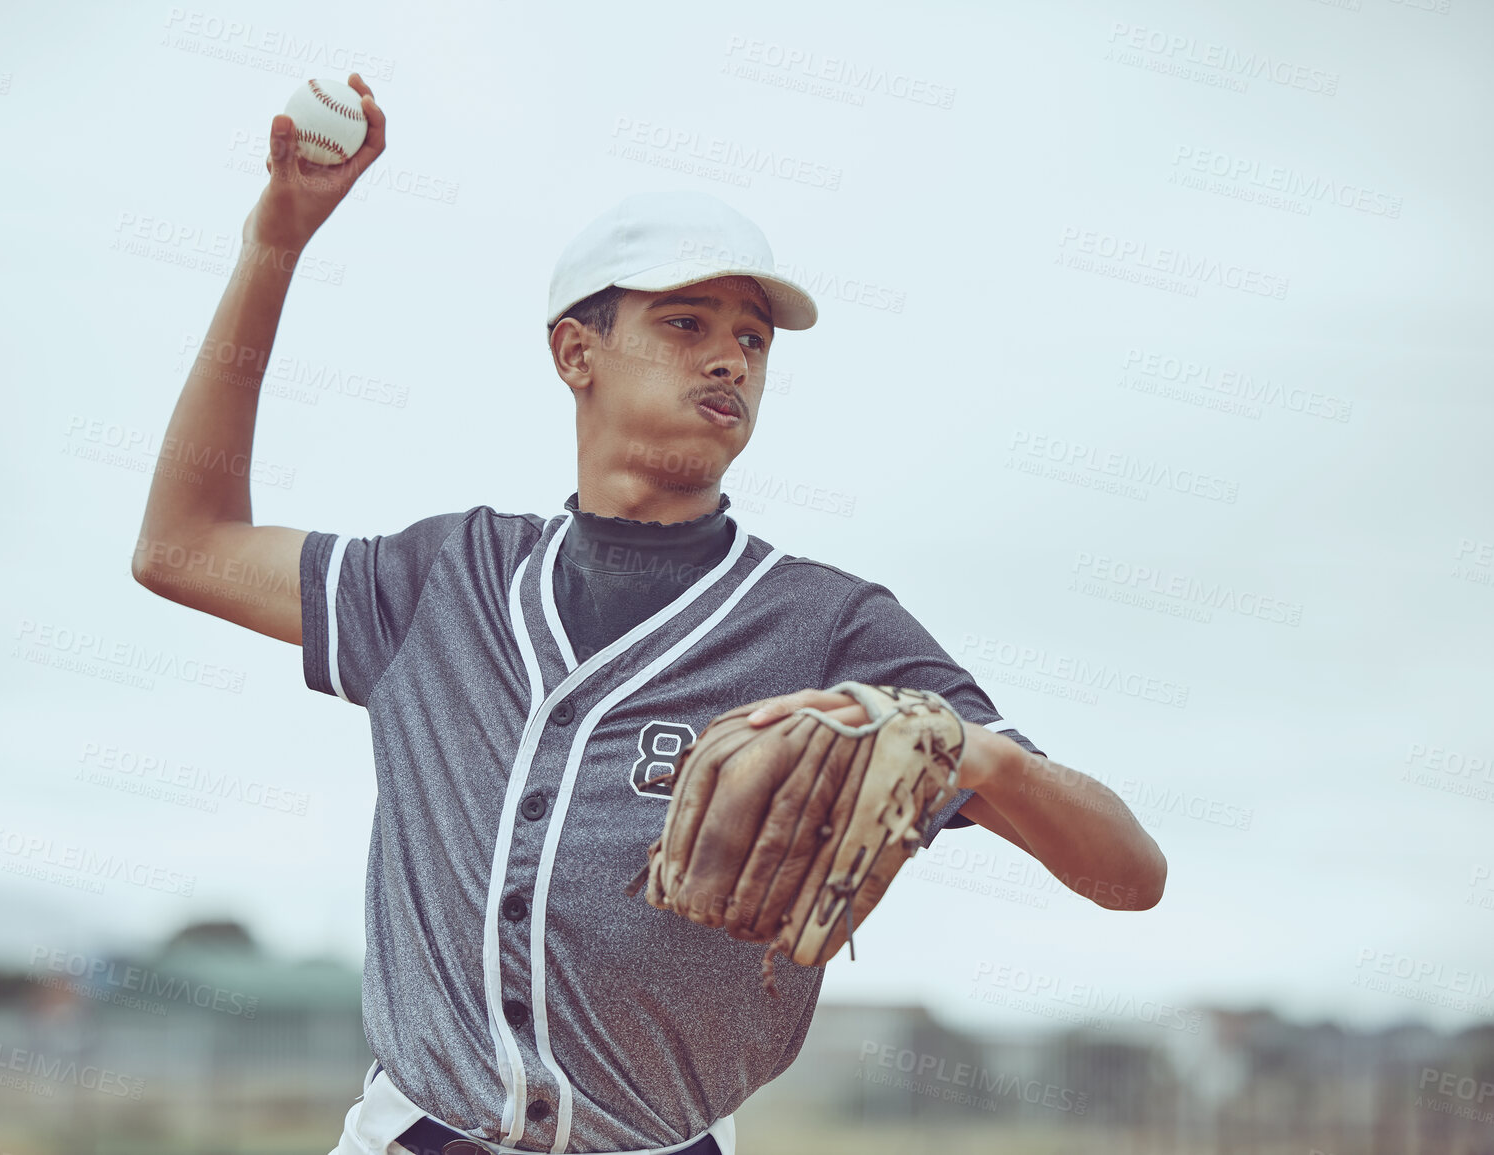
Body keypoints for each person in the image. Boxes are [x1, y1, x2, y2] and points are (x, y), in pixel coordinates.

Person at [131, 74, 1167, 1155]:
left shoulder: (827, 626)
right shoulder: (447, 580)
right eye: (684, 322)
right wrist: (275, 246)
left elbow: (1126, 877)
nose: (729, 357)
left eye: (754, 340)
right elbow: (181, 547)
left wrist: (983, 759)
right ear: (576, 352)